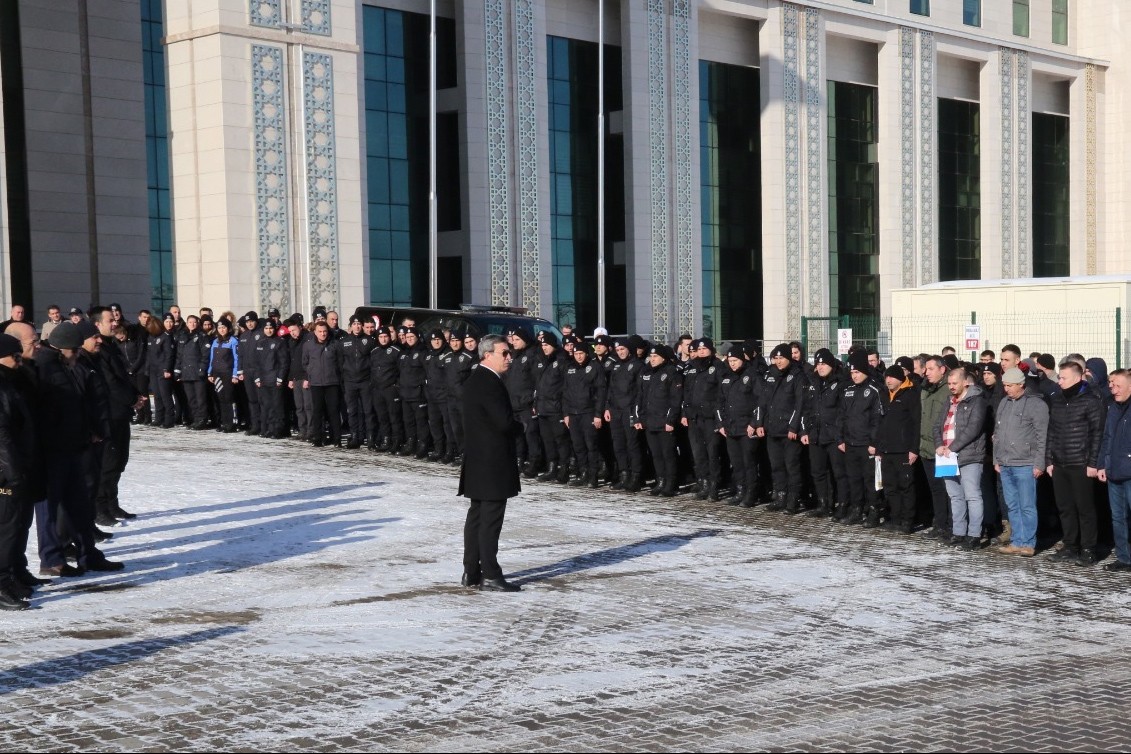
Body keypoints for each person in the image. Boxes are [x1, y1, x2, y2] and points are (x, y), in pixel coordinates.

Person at [459, 334, 522, 593]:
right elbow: (503, 422)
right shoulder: (489, 382)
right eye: (504, 353)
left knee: (477, 517)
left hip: (478, 460)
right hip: (492, 462)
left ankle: (471, 571)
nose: (509, 357)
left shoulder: (476, 379)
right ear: (487, 355)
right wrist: (522, 426)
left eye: (509, 353)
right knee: (489, 520)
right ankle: (491, 574)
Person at [1045, 360, 1105, 565]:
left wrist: (1093, 462)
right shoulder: (1058, 399)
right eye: (1059, 377)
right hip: (1060, 462)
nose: (1059, 381)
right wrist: (1049, 459)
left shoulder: (1091, 400)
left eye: (1063, 378)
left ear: (1078, 378)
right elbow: (1051, 431)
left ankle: (1088, 548)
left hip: (1081, 462)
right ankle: (1070, 545)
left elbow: (1097, 433)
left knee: (1085, 508)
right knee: (1065, 507)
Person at [993, 367, 1048, 557]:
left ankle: (1028, 543)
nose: (1006, 389)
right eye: (1005, 385)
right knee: (1012, 505)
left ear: (1021, 385)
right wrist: (996, 459)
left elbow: (1043, 436)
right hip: (1005, 462)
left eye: (1010, 386)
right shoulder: (1004, 403)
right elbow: (997, 434)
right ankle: (1017, 541)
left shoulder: (1036, 404)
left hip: (1025, 463)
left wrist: (1039, 463)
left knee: (1027, 505)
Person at [0, 333, 37, 609]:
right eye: (14, 355)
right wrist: (12, 472)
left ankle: (10, 575)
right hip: (6, 472)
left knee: (17, 525)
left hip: (18, 464)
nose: (19, 359)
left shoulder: (11, 381)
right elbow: (2, 436)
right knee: (7, 527)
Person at [934, 368, 989, 550]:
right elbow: (937, 426)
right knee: (955, 495)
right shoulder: (948, 401)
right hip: (947, 456)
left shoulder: (977, 401)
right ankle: (958, 531)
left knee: (972, 495)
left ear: (965, 382)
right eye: (949, 384)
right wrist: (939, 445)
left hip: (969, 455)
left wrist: (952, 447)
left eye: (954, 383)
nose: (951, 387)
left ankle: (974, 535)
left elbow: (973, 429)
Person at [758, 344, 806, 513]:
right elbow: (763, 402)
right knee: (777, 465)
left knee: (791, 466)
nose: (778, 362)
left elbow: (799, 404)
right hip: (772, 429)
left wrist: (794, 427)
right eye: (775, 358)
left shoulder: (797, 375)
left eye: (781, 358)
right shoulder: (770, 375)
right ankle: (780, 496)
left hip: (789, 431)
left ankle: (793, 499)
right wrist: (760, 423)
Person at [633, 344, 682, 497]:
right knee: (656, 454)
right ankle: (660, 480)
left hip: (665, 421)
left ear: (663, 358)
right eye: (651, 357)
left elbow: (676, 400)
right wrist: (639, 417)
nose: (652, 359)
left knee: (668, 454)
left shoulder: (671, 373)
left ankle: (671, 483)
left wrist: (670, 420)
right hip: (650, 421)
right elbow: (640, 397)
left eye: (655, 357)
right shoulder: (647, 373)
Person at [876, 364, 921, 533]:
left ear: (900, 379)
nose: (888, 380)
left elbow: (916, 423)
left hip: (903, 449)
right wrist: (879, 446)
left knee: (906, 487)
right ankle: (895, 518)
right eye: (886, 377)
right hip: (886, 449)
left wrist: (913, 448)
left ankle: (907, 521)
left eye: (892, 377)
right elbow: (880, 422)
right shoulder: (884, 395)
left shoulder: (910, 394)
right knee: (890, 487)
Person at [801, 349, 845, 518]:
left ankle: (842, 505)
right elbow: (806, 409)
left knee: (838, 473)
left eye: (824, 364)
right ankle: (823, 504)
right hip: (816, 434)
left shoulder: (839, 383)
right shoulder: (813, 383)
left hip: (833, 436)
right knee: (818, 472)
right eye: (818, 364)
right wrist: (805, 430)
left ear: (831, 365)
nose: (820, 368)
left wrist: (839, 433)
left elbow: (842, 411)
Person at [718, 344, 760, 508]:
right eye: (730, 361)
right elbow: (719, 402)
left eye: (735, 360)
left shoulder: (751, 376)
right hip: (731, 427)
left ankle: (751, 492)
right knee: (736, 462)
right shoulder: (726, 377)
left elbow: (759, 401)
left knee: (748, 461)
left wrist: (754, 423)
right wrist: (720, 423)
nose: (732, 363)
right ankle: (740, 490)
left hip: (747, 427)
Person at [1098, 369, 1131, 572]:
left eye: (1117, 385)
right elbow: (1106, 438)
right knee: (1118, 517)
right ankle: (1124, 557)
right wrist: (1102, 463)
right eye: (1110, 384)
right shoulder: (1112, 407)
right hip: (1113, 470)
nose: (1112, 388)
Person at [918, 356, 952, 538]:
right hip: (925, 447)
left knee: (947, 489)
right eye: (926, 369)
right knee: (935, 489)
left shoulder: (948, 389)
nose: (926, 372)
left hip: (942, 448)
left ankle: (950, 525)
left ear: (942, 370)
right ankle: (939, 524)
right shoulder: (925, 389)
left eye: (931, 369)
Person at [303, 321, 343, 447]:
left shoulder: (335, 344)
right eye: (320, 332)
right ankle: (318, 437)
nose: (323, 334)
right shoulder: (308, 346)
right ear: (315, 332)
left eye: (325, 331)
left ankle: (336, 438)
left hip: (332, 382)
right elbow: (305, 363)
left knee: (333, 411)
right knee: (317, 411)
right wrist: (311, 371)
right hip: (316, 383)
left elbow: (340, 362)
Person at [208, 318, 240, 433]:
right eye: (219, 328)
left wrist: (235, 374)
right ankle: (224, 422)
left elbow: (237, 359)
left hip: (228, 373)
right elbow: (212, 358)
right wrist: (210, 372)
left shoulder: (233, 341)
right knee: (220, 398)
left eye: (224, 327)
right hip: (217, 373)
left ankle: (232, 423)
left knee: (229, 398)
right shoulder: (215, 341)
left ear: (228, 328)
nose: (222, 330)